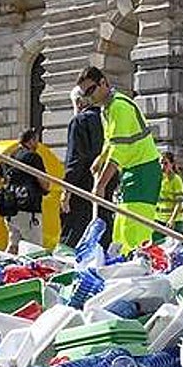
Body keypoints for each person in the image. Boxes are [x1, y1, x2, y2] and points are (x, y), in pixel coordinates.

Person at [74, 66, 162, 255]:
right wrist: (100, 159)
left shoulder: (119, 107)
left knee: (134, 227)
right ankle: (121, 264)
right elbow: (111, 142)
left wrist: (101, 184)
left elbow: (119, 150)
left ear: (104, 83)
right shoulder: (107, 109)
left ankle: (137, 267)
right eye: (85, 94)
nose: (89, 97)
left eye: (91, 91)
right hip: (133, 172)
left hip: (143, 171)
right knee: (121, 226)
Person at [59, 87, 107, 248]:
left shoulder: (79, 121)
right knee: (102, 235)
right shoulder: (105, 119)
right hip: (104, 185)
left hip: (82, 188)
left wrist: (66, 191)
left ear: (79, 102)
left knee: (73, 236)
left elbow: (75, 159)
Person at [0, 128, 51, 251]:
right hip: (29, 210)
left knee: (13, 246)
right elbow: (43, 182)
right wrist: (46, 187)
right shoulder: (33, 157)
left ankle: (6, 268)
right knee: (34, 248)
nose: (37, 144)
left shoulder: (8, 157)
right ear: (30, 141)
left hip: (10, 210)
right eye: (36, 140)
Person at [154, 151, 183, 242]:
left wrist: (172, 219)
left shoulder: (176, 180)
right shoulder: (160, 178)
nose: (163, 166)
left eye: (165, 163)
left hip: (174, 221)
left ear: (172, 164)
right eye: (161, 163)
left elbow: (179, 202)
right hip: (159, 218)